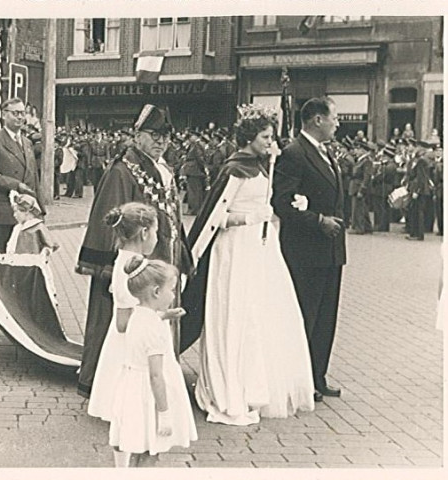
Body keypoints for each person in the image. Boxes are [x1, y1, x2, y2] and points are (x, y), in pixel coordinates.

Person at [182, 104, 314, 425]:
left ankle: (255, 385)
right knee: (235, 314)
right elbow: (216, 217)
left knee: (260, 315)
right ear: (249, 137)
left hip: (260, 249)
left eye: (271, 137)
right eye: (266, 137)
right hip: (234, 250)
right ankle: (228, 388)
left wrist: (296, 202)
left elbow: (270, 199)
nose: (271, 143)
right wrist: (250, 217)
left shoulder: (262, 165)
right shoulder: (235, 169)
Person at [76, 104, 193, 398]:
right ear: (137, 135)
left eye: (166, 136)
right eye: (154, 135)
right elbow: (108, 219)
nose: (161, 141)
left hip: (163, 261)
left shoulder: (164, 169)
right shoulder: (122, 171)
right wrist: (108, 267)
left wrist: (184, 255)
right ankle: (115, 387)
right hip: (134, 269)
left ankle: (157, 382)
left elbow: (173, 216)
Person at [271, 96, 346, 401]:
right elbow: (281, 202)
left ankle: (317, 376)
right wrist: (317, 221)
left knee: (326, 318)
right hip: (305, 250)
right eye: (334, 117)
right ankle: (300, 378)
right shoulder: (294, 153)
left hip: (330, 251)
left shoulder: (325, 152)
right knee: (306, 316)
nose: (337, 123)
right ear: (317, 119)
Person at [109, 257, 197, 467]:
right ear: (156, 292)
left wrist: (164, 315)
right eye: (172, 290)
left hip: (131, 388)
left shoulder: (138, 316)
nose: (173, 295)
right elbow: (156, 375)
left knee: (139, 443)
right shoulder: (155, 330)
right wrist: (164, 413)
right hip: (149, 396)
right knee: (152, 450)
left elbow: (147, 323)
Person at [88, 202, 159, 422]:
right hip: (128, 340)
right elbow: (123, 322)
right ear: (145, 232)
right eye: (156, 231)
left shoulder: (124, 259)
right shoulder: (132, 266)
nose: (157, 238)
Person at [0, 98, 45, 253]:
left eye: (22, 113)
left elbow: (34, 176)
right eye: (15, 113)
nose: (20, 117)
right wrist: (15, 185)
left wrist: (40, 207)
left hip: (29, 210)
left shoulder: (27, 142)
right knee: (4, 255)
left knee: (28, 255)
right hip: (6, 209)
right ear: (4, 114)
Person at [5, 191, 58, 255]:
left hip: (33, 262)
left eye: (16, 212)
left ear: (26, 212)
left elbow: (49, 245)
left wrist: (45, 252)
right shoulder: (17, 228)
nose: (14, 215)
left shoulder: (38, 226)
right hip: (17, 261)